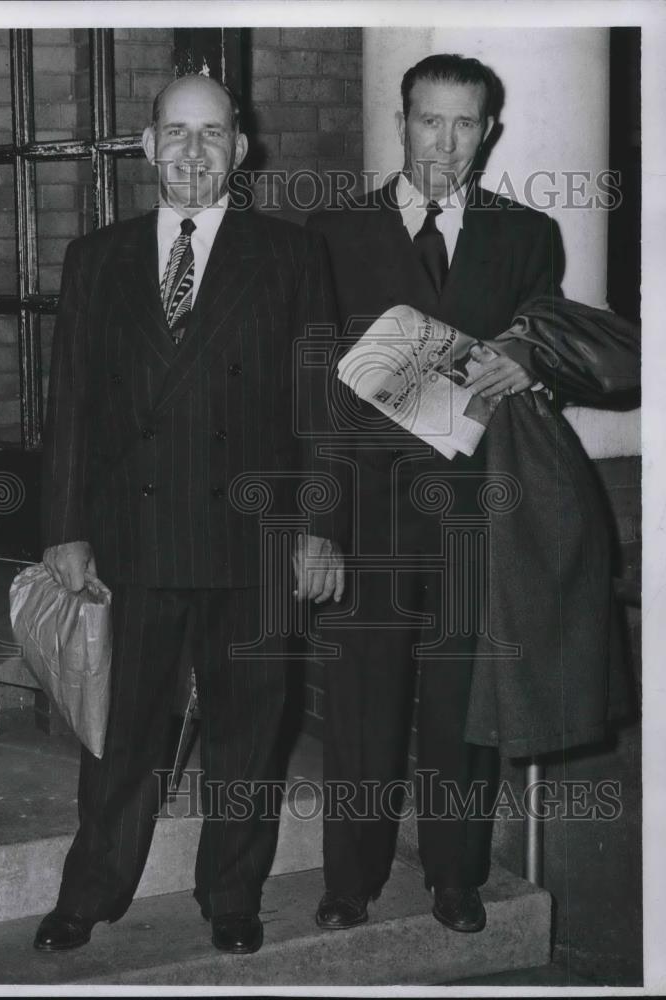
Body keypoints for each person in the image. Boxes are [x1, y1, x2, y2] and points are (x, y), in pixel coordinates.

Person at [34, 74, 343, 957]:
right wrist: (62, 526)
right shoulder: (96, 257)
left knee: (250, 730)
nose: (193, 153)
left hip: (256, 538)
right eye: (176, 133)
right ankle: (89, 892)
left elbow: (319, 405)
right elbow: (71, 408)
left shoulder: (287, 255)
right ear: (146, 144)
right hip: (134, 538)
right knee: (122, 734)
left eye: (212, 135)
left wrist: (320, 526)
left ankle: (231, 894)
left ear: (240, 151)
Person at [307, 53, 564, 934]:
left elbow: (545, 357)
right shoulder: (333, 233)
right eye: (428, 121)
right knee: (361, 702)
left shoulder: (525, 235)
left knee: (463, 708)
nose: (443, 143)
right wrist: (320, 527)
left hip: (475, 515)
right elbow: (318, 395)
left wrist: (528, 363)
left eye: (464, 124)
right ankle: (350, 881)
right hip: (369, 514)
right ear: (401, 120)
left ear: (486, 132)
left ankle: (455, 877)